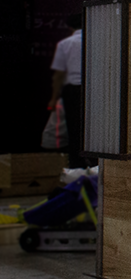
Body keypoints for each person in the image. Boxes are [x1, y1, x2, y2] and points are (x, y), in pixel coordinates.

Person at [47, 13, 86, 168]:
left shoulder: (65, 44)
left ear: (69, 27)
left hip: (73, 90)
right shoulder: (95, 40)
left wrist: (53, 98)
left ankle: (76, 164)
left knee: (74, 128)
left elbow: (59, 74)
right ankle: (95, 162)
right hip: (93, 89)